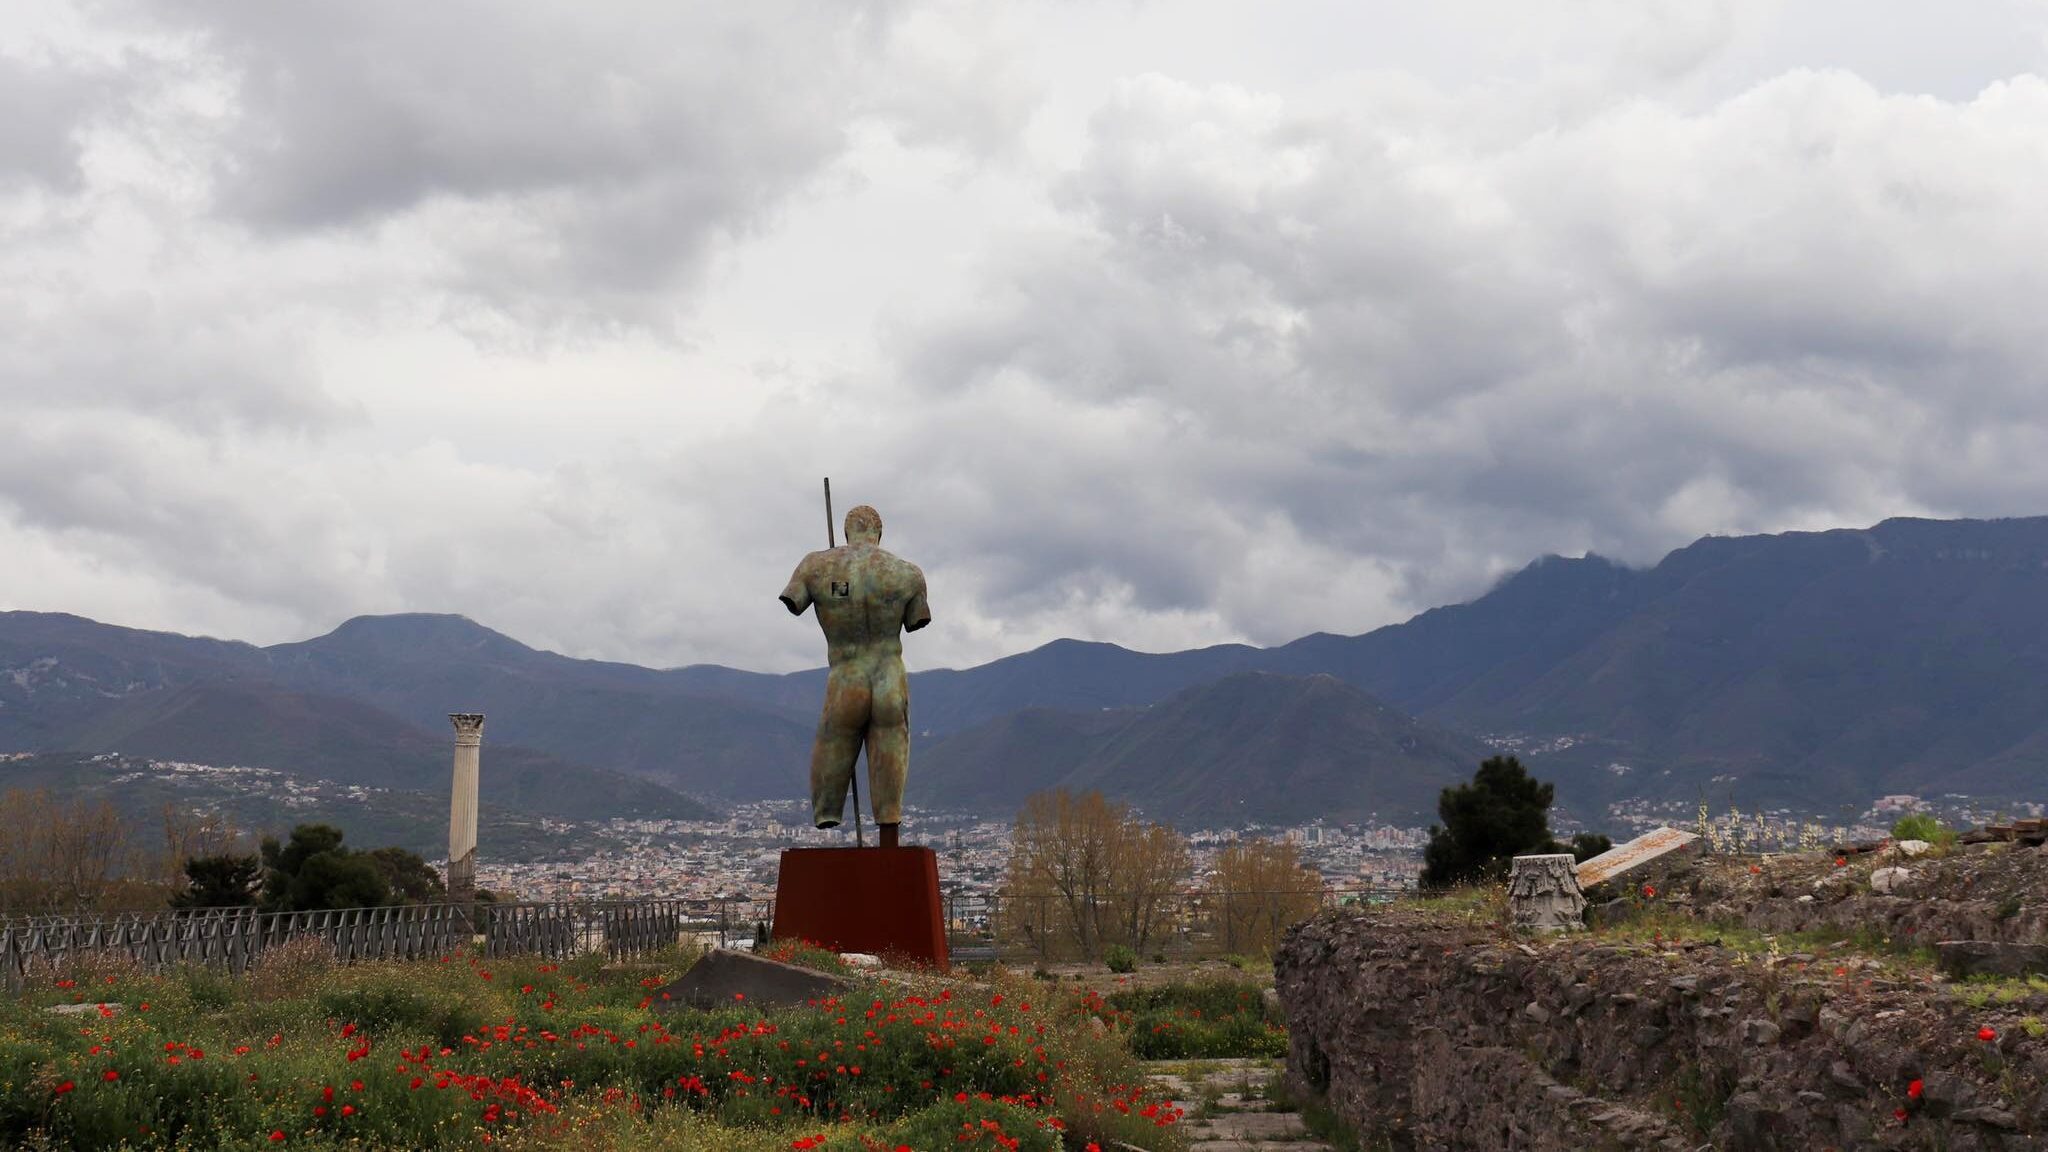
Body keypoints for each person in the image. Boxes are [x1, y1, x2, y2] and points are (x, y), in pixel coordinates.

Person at [779, 504, 930, 847]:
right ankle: (889, 817)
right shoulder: (907, 573)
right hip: (889, 677)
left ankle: (827, 810)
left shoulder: (816, 565)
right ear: (880, 533)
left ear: (847, 532)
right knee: (892, 742)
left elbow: (794, 600)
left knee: (834, 740)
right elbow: (916, 620)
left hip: (846, 678)